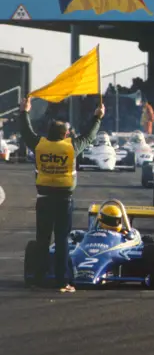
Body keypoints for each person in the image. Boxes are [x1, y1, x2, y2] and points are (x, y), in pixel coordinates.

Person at [19, 96, 105, 293]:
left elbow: (26, 132)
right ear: (65, 134)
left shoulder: (39, 145)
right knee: (61, 240)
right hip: (63, 200)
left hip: (43, 199)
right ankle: (62, 281)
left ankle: (38, 277)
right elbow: (89, 136)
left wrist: (24, 111)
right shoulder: (71, 147)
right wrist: (98, 117)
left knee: (42, 239)